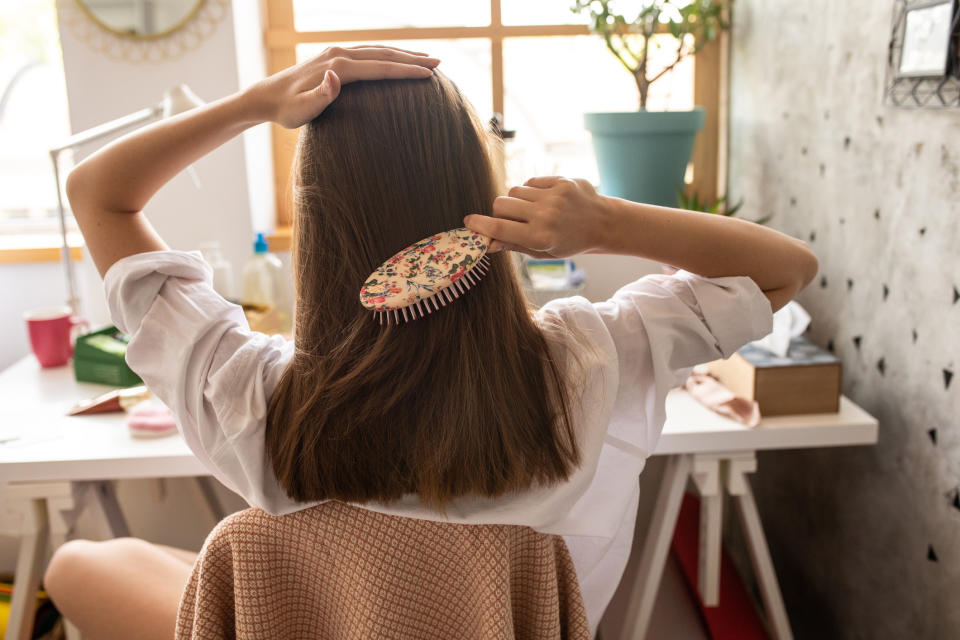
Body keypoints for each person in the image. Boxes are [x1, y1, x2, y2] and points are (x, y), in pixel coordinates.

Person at [43, 45, 818, 639]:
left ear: (315, 223)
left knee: (85, 563)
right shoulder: (594, 360)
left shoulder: (250, 395)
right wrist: (607, 221)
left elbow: (97, 194)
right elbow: (787, 270)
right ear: (479, 190)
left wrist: (254, 103)